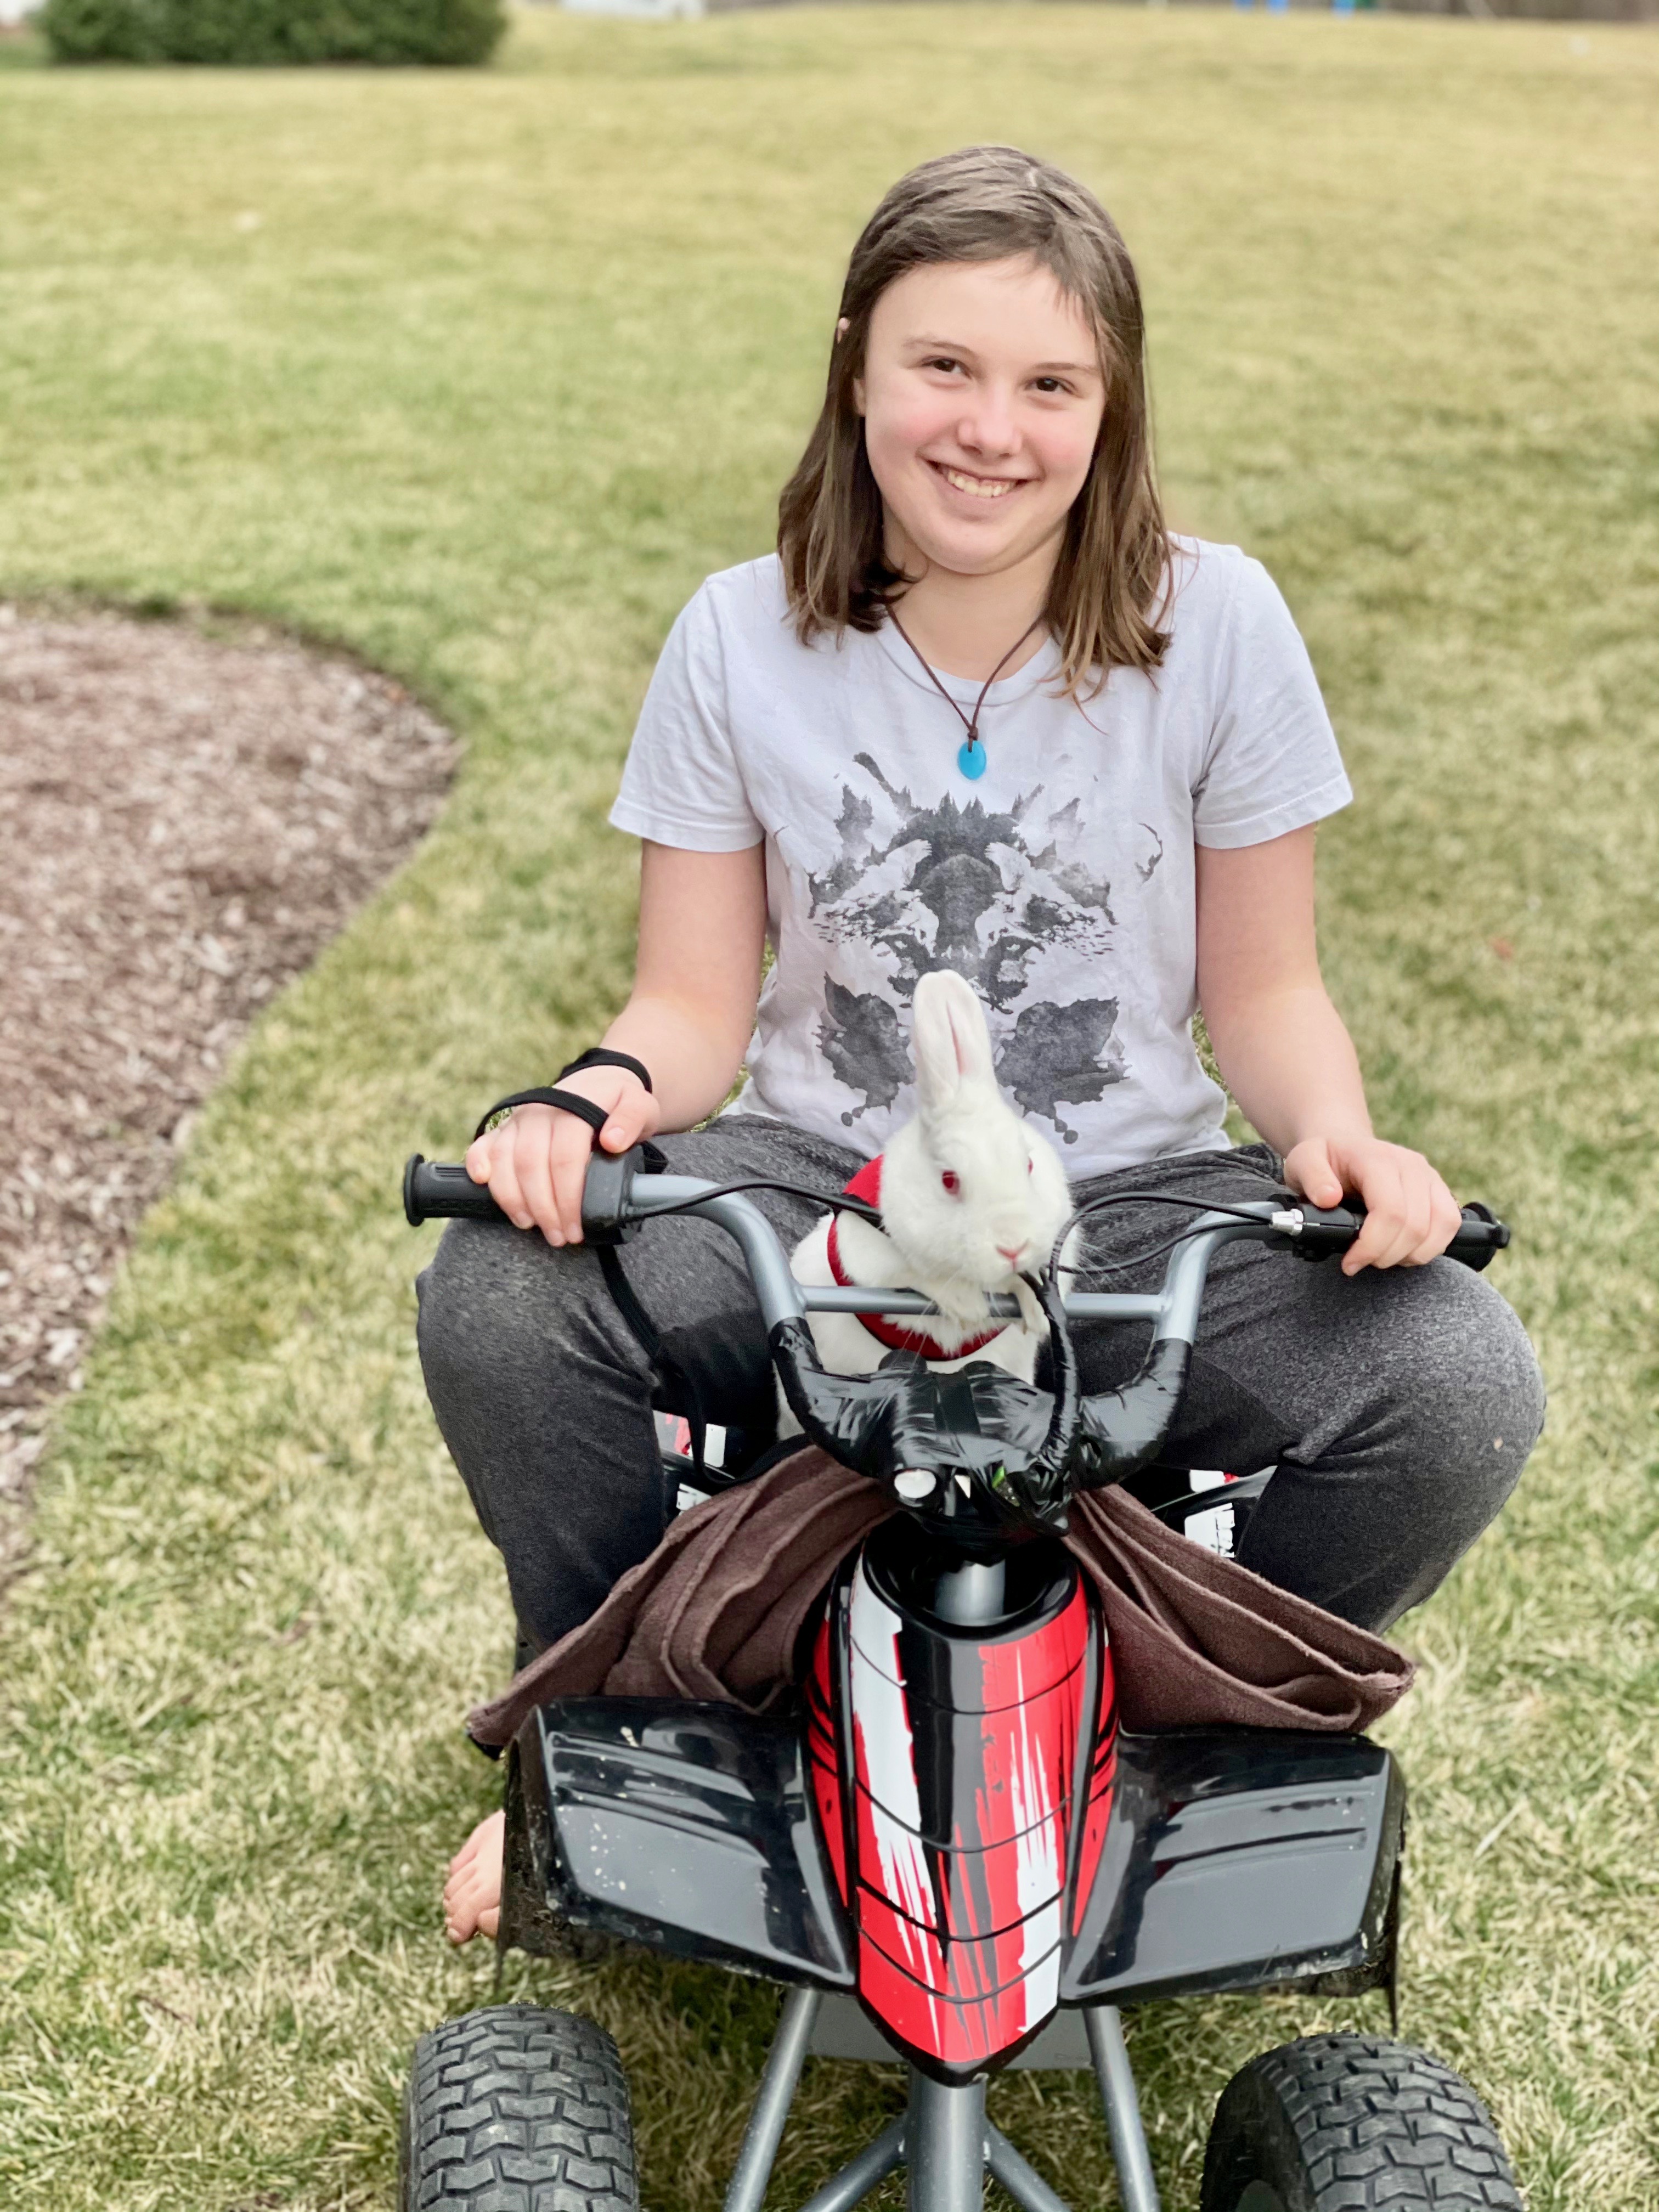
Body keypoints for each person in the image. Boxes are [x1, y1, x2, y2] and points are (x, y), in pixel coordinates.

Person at [421, 146, 1545, 1944]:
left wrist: (1337, 1133)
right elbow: (692, 1008)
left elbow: (1265, 994)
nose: (991, 431)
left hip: (1125, 1205)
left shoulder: (1219, 623)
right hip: (833, 1200)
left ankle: (1166, 1735)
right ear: (858, 363)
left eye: (1050, 385)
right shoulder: (737, 635)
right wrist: (586, 1101)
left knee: (1456, 1377)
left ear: (1112, 407)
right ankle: (608, 1743)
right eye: (943, 366)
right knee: (500, 1292)